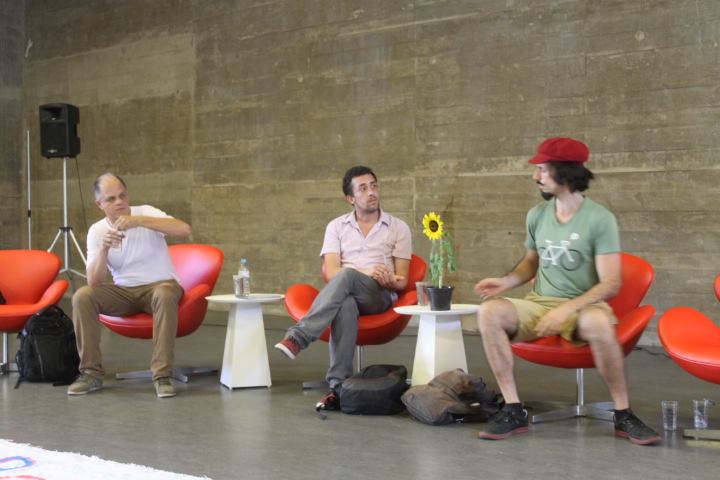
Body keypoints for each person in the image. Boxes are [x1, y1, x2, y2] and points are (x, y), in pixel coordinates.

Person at [474, 137, 661, 445]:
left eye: (542, 169)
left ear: (565, 172)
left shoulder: (600, 219)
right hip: (540, 303)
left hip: (585, 305)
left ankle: (623, 413)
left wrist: (567, 309)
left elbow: (611, 283)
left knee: (598, 322)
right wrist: (506, 282)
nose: (536, 176)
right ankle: (513, 409)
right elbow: (531, 262)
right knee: (489, 312)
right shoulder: (536, 215)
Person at [274, 165, 412, 410]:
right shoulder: (336, 227)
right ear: (350, 198)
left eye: (374, 186)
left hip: (378, 295)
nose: (371, 192)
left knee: (347, 275)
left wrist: (387, 278)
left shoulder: (398, 227)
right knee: (345, 302)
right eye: (363, 188)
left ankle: (298, 337)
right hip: (347, 291)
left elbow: (402, 280)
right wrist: (365, 271)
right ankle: (338, 387)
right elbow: (332, 272)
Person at [68, 173, 191, 398]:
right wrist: (104, 249)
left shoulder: (146, 211)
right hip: (124, 291)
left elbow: (184, 230)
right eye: (111, 199)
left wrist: (139, 221)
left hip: (161, 285)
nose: (119, 202)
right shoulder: (97, 231)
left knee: (164, 293)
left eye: (122, 195)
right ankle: (91, 373)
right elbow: (94, 281)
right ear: (100, 204)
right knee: (82, 296)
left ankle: (162, 375)